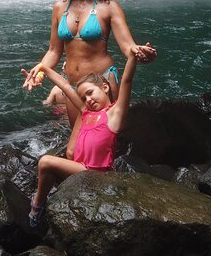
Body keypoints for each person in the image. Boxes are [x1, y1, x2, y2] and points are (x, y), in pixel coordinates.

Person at [22, 0, 156, 157]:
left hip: (100, 82)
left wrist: (141, 52)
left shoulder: (109, 7)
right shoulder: (60, 7)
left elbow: (127, 45)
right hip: (73, 84)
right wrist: (39, 70)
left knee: (104, 141)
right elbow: (53, 51)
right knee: (79, 144)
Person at [28, 53, 137, 227]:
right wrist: (44, 68)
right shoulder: (86, 113)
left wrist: (133, 57)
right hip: (82, 171)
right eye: (84, 98)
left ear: (105, 87)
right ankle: (46, 198)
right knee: (50, 168)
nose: (88, 100)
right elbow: (64, 85)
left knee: (45, 161)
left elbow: (126, 82)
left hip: (95, 174)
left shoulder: (113, 115)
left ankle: (37, 206)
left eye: (90, 93)